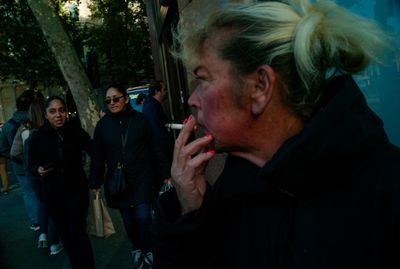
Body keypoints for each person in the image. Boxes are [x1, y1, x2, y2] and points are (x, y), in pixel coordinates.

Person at [151, 1, 400, 269]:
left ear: (260, 86)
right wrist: (190, 213)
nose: (192, 99)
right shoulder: (230, 193)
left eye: (202, 79)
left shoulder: (386, 189)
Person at [89, 85, 171, 269]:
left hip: (142, 178)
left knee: (143, 217)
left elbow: (155, 147)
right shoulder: (102, 126)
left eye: (116, 98)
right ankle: (137, 248)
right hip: (119, 183)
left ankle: (148, 249)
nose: (112, 103)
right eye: (108, 100)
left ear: (126, 99)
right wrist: (94, 181)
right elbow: (97, 156)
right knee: (129, 221)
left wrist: (165, 174)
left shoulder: (140, 120)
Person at [27, 96, 94, 269]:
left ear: (66, 112)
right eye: (53, 111)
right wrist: (39, 170)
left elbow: (95, 151)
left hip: (77, 191)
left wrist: (95, 178)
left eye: (61, 110)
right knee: (66, 235)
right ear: (46, 114)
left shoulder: (76, 131)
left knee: (77, 232)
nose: (58, 115)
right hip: (54, 195)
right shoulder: (37, 137)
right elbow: (31, 165)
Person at [11, 100, 63, 255]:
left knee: (43, 204)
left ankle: (42, 234)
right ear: (45, 113)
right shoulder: (43, 132)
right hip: (45, 172)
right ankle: (54, 242)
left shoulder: (25, 129)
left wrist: (28, 165)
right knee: (52, 205)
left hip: (31, 173)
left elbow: (15, 153)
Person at [0, 90, 39, 230]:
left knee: (28, 193)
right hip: (38, 163)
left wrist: (14, 157)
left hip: (19, 166)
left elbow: (3, 148)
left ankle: (36, 221)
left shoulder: (7, 126)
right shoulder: (36, 121)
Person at [143, 80, 174, 167]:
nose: (166, 91)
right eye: (164, 89)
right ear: (157, 92)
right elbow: (156, 131)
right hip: (161, 150)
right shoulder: (151, 106)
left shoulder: (152, 104)